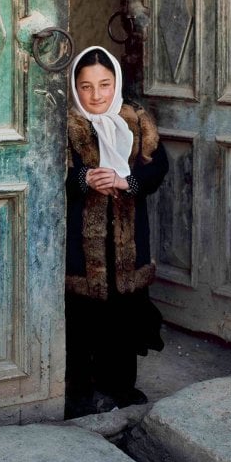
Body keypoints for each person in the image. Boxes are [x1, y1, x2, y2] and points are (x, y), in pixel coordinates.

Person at [65, 46, 169, 418]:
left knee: (125, 310)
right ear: (75, 88)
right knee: (82, 316)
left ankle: (121, 385)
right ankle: (79, 392)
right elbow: (46, 176)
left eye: (105, 85)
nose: (96, 95)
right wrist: (84, 177)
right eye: (86, 86)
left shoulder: (136, 121)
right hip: (81, 242)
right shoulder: (65, 126)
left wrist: (127, 182)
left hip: (127, 239)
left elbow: (157, 169)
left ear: (116, 84)